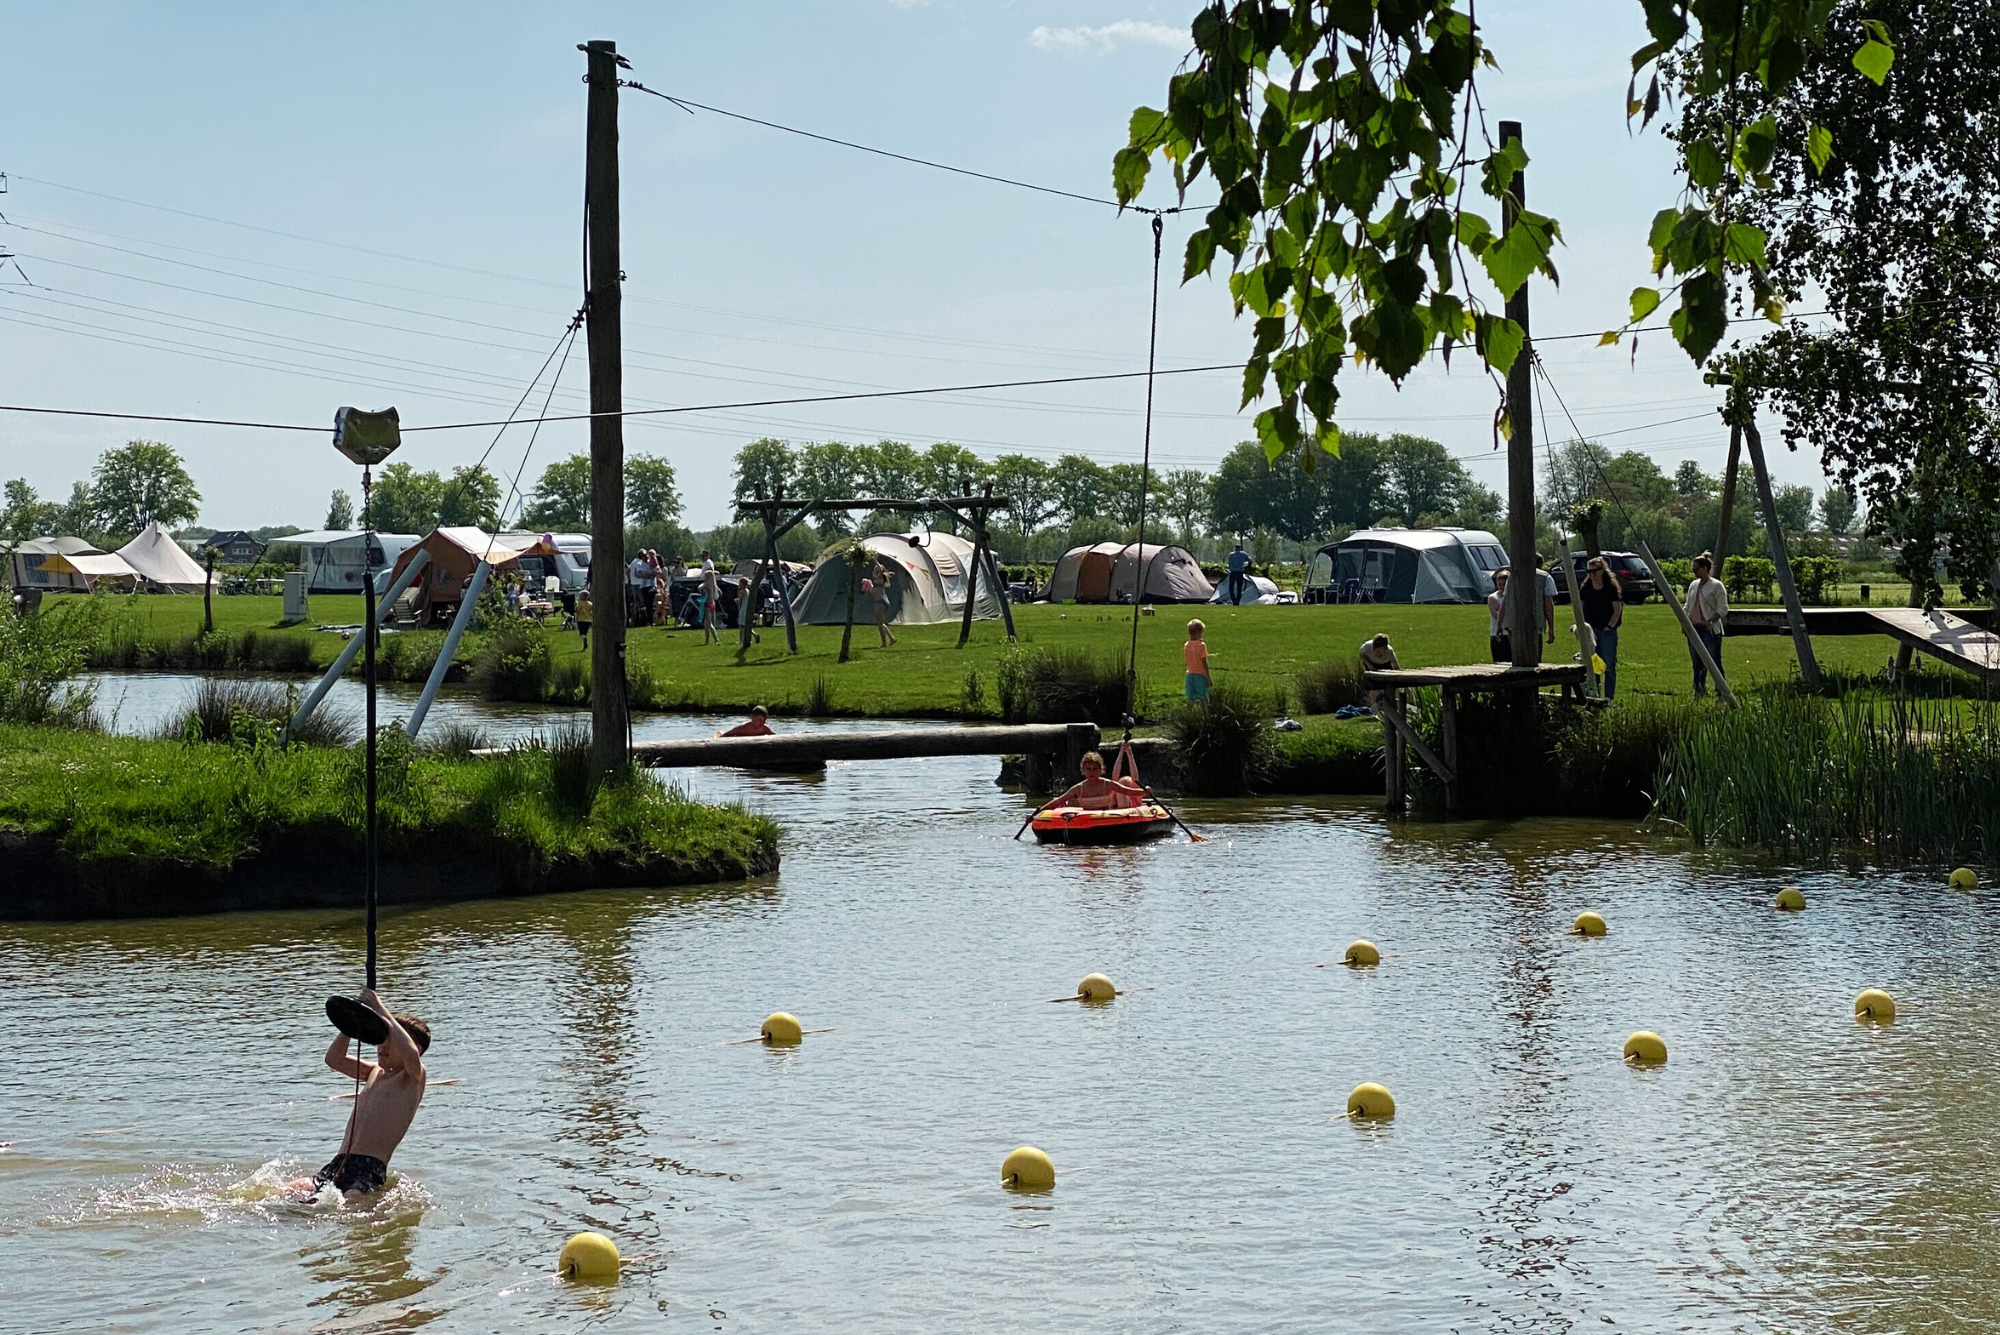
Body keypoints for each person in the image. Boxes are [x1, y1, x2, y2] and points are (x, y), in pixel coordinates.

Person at [287, 989, 429, 1200]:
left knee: (350, 1207)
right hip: (338, 1162)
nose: (382, 1045)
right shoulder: (374, 1072)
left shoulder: (412, 1077)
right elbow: (333, 1059)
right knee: (285, 1192)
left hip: (368, 1169)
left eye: (390, 1039)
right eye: (382, 1038)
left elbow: (410, 1054)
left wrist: (379, 1007)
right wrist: (354, 1022)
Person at [1036, 748, 1150, 813]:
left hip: (1106, 819)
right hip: (1086, 820)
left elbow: (1128, 791)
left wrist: (1144, 792)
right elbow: (1058, 801)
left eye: (1095, 769)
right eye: (1088, 769)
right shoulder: (1078, 789)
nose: (1092, 772)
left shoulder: (1108, 784)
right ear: (1083, 771)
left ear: (1100, 770)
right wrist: (1038, 811)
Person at [1577, 555, 1624, 700]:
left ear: (1602, 570)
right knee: (1591, 664)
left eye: (1594, 571)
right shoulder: (1586, 587)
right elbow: (1580, 607)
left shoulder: (1610, 587)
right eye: (1589, 571)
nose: (1591, 574)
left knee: (1608, 665)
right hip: (1590, 632)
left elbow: (1617, 609)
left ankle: (1609, 697)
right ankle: (1593, 695)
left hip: (1606, 631)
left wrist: (1609, 627)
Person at [1685, 551, 1729, 696]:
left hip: (1709, 629)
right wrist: (1685, 622)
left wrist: (1712, 620)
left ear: (1705, 568)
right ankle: (1699, 690)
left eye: (1696, 568)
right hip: (1694, 628)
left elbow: (1723, 608)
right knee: (1697, 663)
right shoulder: (1693, 585)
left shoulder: (1716, 585)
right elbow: (1688, 605)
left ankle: (1721, 690)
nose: (1694, 572)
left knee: (1714, 661)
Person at [1487, 569, 1511, 663]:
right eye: (1500, 584)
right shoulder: (1493, 597)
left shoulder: (1513, 597)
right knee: (1499, 661)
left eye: (1504, 584)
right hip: (1498, 633)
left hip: (1511, 634)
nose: (1502, 587)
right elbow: (1496, 614)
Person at [1184, 619, 1211, 701]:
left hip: (1190, 674)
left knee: (1190, 698)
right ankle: (1205, 713)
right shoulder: (1201, 645)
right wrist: (1208, 677)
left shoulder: (1187, 645)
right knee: (1203, 698)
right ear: (1199, 632)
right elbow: (1204, 662)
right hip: (1200, 675)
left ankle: (1189, 713)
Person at [872, 562, 898, 647]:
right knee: (881, 622)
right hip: (881, 601)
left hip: (881, 602)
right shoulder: (878, 579)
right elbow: (874, 591)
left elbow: (880, 569)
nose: (876, 570)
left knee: (879, 624)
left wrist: (876, 561)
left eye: (877, 569)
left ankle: (884, 643)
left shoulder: (880, 578)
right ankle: (891, 638)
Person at [1225, 538, 1252, 606]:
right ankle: (1238, 601)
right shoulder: (1243, 554)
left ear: (1235, 548)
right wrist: (1247, 566)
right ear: (1240, 548)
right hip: (1240, 572)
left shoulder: (1231, 554)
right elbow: (1250, 560)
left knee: (1231, 587)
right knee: (1239, 587)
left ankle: (1233, 600)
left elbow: (1229, 563)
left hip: (1233, 572)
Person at [701, 559, 722, 644]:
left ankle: (716, 639)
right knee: (706, 624)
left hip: (707, 604)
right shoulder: (714, 585)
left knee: (709, 623)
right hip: (713, 603)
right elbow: (720, 593)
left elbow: (699, 588)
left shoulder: (707, 584)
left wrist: (703, 586)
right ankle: (707, 641)